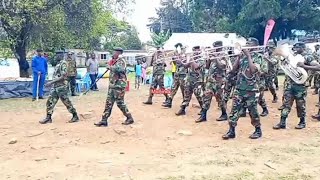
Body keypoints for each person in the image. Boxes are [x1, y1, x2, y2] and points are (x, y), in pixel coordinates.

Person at [222, 38, 263, 140]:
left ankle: (258, 130)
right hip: (239, 88)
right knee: (234, 110)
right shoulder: (242, 57)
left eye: (250, 43)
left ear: (255, 46)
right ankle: (231, 131)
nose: (247, 45)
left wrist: (248, 56)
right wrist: (238, 58)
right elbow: (233, 71)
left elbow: (254, 70)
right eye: (247, 43)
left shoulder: (258, 57)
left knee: (253, 111)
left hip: (251, 90)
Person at [273, 42, 319, 130]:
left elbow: (318, 67)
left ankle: (302, 122)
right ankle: (282, 122)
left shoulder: (308, 57)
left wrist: (304, 66)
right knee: (286, 104)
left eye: (298, 47)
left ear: (303, 48)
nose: (295, 49)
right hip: (290, 85)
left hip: (301, 85)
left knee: (300, 105)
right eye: (295, 47)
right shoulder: (292, 56)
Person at [94, 48, 134, 127]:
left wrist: (110, 67)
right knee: (108, 102)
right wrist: (110, 65)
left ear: (119, 53)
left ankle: (129, 118)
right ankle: (104, 120)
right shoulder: (114, 61)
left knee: (120, 103)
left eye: (115, 52)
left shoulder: (121, 61)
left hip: (119, 85)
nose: (113, 53)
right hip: (112, 85)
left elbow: (121, 70)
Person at [39, 52, 79, 124]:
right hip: (55, 86)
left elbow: (63, 76)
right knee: (50, 101)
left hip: (61, 86)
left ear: (61, 56)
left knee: (66, 102)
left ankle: (75, 115)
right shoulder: (58, 64)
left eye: (57, 55)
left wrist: (51, 82)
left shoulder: (63, 64)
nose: (56, 57)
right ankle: (48, 118)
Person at [197, 41, 228, 123]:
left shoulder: (223, 56)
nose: (213, 48)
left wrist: (216, 58)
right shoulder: (212, 55)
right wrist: (209, 59)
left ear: (220, 46)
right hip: (210, 81)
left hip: (219, 81)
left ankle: (224, 114)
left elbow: (222, 66)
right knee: (206, 97)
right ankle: (203, 115)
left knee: (220, 98)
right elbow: (207, 67)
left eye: (215, 46)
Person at [175, 46, 205, 116]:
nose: (195, 52)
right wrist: (180, 62)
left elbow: (196, 67)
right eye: (194, 50)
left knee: (199, 96)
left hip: (197, 80)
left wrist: (191, 59)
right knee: (186, 95)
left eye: (197, 50)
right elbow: (186, 66)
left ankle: (203, 110)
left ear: (200, 51)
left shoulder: (202, 59)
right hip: (189, 79)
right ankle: (182, 109)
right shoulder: (192, 59)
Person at [163, 43, 187, 108]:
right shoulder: (176, 55)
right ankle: (169, 102)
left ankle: (184, 105)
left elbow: (184, 64)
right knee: (173, 88)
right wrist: (174, 59)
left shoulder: (185, 55)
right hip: (177, 73)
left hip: (183, 74)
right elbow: (175, 64)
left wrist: (179, 59)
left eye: (178, 48)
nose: (177, 49)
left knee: (184, 90)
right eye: (176, 48)